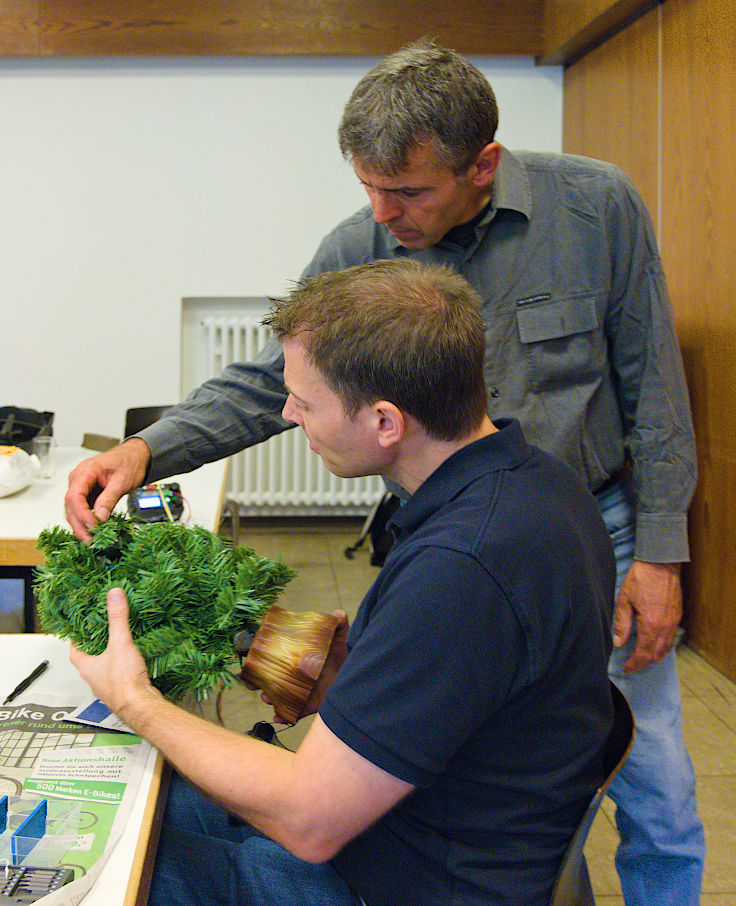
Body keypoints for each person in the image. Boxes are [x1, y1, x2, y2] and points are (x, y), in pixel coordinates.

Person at [65, 41, 704, 904]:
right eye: (367, 186)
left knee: (655, 787)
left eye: (406, 191)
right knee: (523, 755)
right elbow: (266, 383)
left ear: (482, 165)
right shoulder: (365, 250)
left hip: (577, 532)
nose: (381, 213)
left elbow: (653, 382)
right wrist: (147, 450)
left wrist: (662, 553)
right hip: (515, 529)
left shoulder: (594, 208)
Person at [70, 259, 616, 906]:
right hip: (419, 825)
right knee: (145, 791)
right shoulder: (541, 485)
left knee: (98, 867)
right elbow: (474, 679)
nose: (287, 413)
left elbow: (310, 820)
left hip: (397, 880)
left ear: (386, 421)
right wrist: (359, 677)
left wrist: (134, 698)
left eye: (304, 400)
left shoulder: (461, 570)